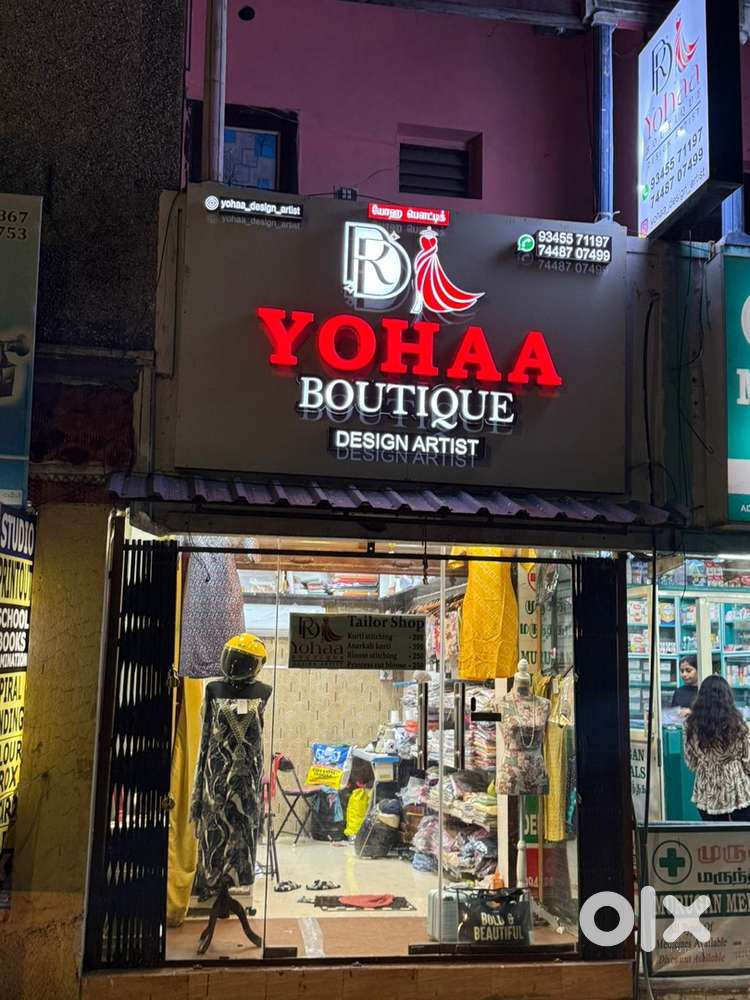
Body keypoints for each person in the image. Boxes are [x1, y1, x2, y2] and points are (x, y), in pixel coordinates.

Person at [684, 675, 750, 821]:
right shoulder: (738, 723)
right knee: (743, 833)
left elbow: (691, 761)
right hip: (737, 790)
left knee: (713, 833)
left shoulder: (690, 724)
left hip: (707, 791)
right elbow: (747, 760)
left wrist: (707, 764)